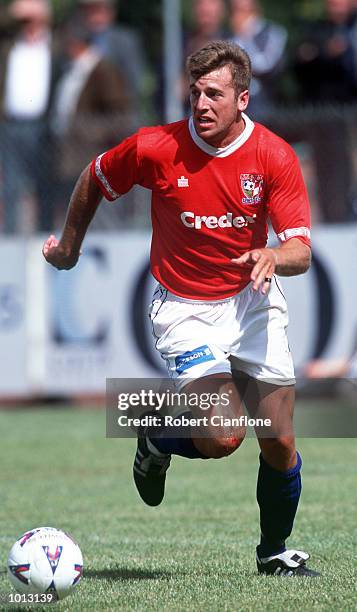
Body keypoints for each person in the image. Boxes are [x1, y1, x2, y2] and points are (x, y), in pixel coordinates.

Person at [42, 41, 319, 577]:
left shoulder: (273, 156)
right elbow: (94, 177)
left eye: (214, 94)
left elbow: (301, 251)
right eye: (194, 93)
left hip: (254, 302)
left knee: (280, 440)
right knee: (223, 437)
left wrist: (272, 254)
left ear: (243, 99)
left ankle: (274, 552)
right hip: (185, 308)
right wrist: (69, 250)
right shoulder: (156, 147)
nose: (201, 104)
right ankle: (155, 435)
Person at [50, 20, 131, 227]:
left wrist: (86, 130)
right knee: (80, 218)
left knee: (102, 217)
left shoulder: (102, 70)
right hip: (75, 158)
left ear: (77, 44)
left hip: (97, 158)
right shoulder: (73, 70)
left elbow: (120, 116)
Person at [0, 0, 59, 233]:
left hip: (43, 125)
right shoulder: (9, 47)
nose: (28, 25)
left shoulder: (55, 47)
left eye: (32, 20)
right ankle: (12, 239)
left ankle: (45, 236)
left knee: (44, 185)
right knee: (11, 186)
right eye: (23, 21)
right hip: (12, 125)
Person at [228, 0, 288, 119]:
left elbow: (265, 64)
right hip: (234, 101)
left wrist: (245, 36)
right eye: (236, 11)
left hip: (264, 100)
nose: (240, 17)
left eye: (245, 11)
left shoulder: (273, 32)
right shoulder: (229, 36)